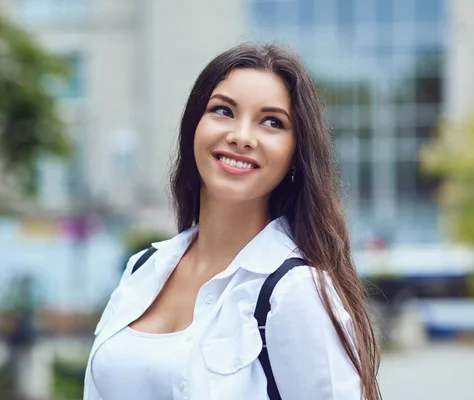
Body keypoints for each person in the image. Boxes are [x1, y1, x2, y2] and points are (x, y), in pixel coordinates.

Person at [84, 43, 381, 400]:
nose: (241, 136)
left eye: (272, 122)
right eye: (223, 111)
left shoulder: (294, 291)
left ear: (296, 154)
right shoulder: (142, 269)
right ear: (194, 126)